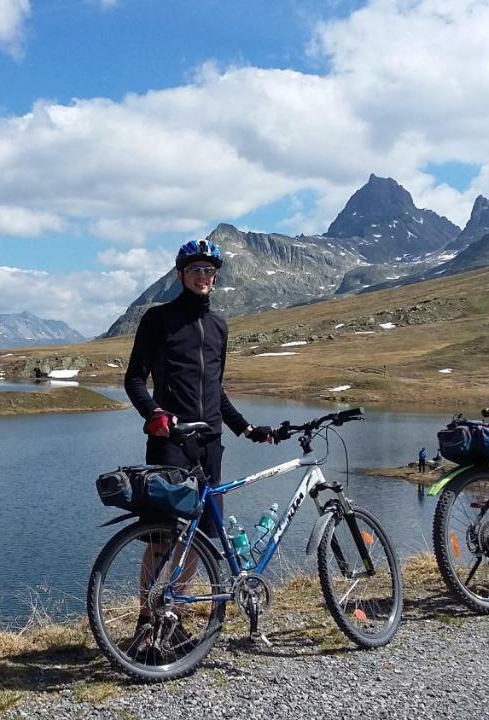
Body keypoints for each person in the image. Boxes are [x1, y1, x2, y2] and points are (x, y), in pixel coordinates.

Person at [123, 238, 275, 656]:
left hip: (210, 446)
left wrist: (244, 428)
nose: (203, 276)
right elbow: (134, 379)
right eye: (195, 270)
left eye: (209, 271)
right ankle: (144, 624)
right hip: (170, 443)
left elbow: (216, 391)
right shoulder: (159, 319)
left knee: (201, 539)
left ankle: (173, 623)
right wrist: (153, 414)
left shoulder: (220, 326)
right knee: (163, 540)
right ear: (180, 275)